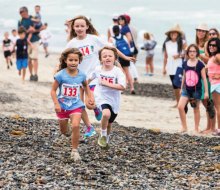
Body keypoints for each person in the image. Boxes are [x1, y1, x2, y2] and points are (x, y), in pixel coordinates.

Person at [65, 15, 135, 138]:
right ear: (73, 28)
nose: (80, 28)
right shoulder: (72, 43)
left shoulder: (94, 39)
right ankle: (89, 128)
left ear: (87, 26)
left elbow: (111, 48)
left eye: (82, 26)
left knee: (89, 104)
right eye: (77, 26)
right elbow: (64, 57)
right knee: (78, 104)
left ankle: (97, 108)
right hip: (79, 77)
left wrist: (124, 57)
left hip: (93, 77)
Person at [51, 48, 94, 161]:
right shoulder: (60, 75)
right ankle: (68, 133)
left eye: (76, 60)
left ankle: (74, 151)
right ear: (65, 60)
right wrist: (56, 104)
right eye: (71, 60)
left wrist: (89, 97)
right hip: (62, 107)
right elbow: (53, 91)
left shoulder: (82, 75)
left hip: (76, 104)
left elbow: (85, 86)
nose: (73, 62)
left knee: (76, 125)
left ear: (79, 61)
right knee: (64, 131)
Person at [88, 46, 126, 147]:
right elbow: (88, 80)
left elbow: (122, 87)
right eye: (104, 56)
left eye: (110, 56)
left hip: (114, 99)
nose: (107, 58)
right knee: (105, 114)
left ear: (115, 58)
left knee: (109, 123)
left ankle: (106, 140)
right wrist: (87, 93)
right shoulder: (97, 69)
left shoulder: (117, 71)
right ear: (100, 59)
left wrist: (106, 83)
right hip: (101, 96)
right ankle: (103, 135)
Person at [178, 44, 208, 134]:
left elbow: (204, 79)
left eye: (194, 51)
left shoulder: (200, 64)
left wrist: (206, 92)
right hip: (186, 89)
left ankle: (196, 127)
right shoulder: (185, 63)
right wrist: (181, 87)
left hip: (196, 90)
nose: (192, 53)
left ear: (197, 53)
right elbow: (184, 76)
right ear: (187, 53)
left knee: (196, 108)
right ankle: (184, 127)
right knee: (180, 107)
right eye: (190, 51)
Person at [195, 24, 216, 134]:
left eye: (203, 31)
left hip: (208, 76)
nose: (201, 32)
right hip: (199, 76)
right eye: (199, 30)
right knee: (205, 102)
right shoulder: (196, 44)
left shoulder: (208, 44)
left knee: (209, 102)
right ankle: (209, 127)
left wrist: (199, 54)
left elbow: (210, 59)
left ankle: (212, 128)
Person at [162, 24, 186, 107]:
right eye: (171, 33)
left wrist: (179, 55)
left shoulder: (182, 42)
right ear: (169, 35)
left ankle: (183, 102)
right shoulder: (167, 43)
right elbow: (165, 56)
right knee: (174, 86)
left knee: (179, 84)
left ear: (178, 34)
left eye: (175, 33)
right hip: (170, 66)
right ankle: (178, 102)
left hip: (179, 66)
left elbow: (188, 54)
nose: (173, 35)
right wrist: (164, 68)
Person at [18, 6, 44, 82]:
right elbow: (20, 33)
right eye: (19, 12)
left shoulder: (33, 17)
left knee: (35, 58)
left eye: (21, 12)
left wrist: (34, 30)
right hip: (26, 42)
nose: (20, 14)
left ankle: (36, 75)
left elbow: (41, 27)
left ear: (26, 12)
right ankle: (31, 75)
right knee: (29, 59)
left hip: (35, 40)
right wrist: (28, 31)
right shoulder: (20, 21)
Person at [110, 25, 135, 94]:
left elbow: (112, 49)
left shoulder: (112, 39)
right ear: (119, 30)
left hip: (119, 57)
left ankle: (122, 88)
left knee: (121, 73)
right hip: (127, 55)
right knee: (127, 72)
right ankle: (132, 88)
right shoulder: (124, 36)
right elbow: (129, 45)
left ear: (113, 31)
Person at [118, 15, 139, 83]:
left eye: (122, 20)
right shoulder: (123, 27)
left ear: (125, 21)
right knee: (130, 64)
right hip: (129, 47)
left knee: (130, 63)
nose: (120, 21)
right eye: (119, 20)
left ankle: (135, 78)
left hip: (129, 48)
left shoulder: (125, 28)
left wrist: (124, 45)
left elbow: (129, 38)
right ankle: (132, 78)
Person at [207, 38, 220, 136]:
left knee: (218, 108)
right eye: (210, 45)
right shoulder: (213, 56)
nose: (211, 46)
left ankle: (219, 129)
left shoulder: (218, 56)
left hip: (217, 84)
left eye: (214, 45)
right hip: (214, 84)